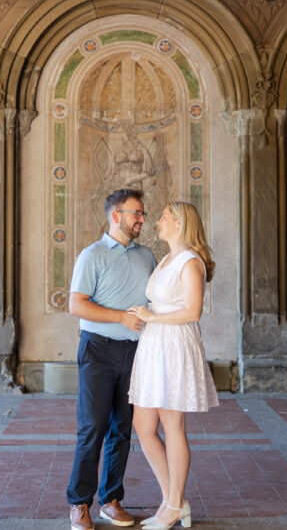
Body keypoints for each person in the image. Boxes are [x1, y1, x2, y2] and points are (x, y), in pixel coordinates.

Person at [67, 189, 157, 530]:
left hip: (137, 353)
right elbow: (77, 305)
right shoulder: (91, 256)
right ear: (115, 216)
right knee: (92, 428)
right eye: (136, 213)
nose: (141, 219)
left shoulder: (146, 255)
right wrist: (121, 317)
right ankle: (79, 503)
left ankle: (111, 500)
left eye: (143, 214)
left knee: (122, 430)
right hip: (98, 351)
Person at [127, 201, 218, 530]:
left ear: (180, 223)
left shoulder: (191, 263)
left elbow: (193, 312)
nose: (158, 222)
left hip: (175, 347)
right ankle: (172, 500)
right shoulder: (166, 258)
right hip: (154, 346)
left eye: (165, 217)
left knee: (171, 425)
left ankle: (174, 504)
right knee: (143, 424)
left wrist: (152, 316)